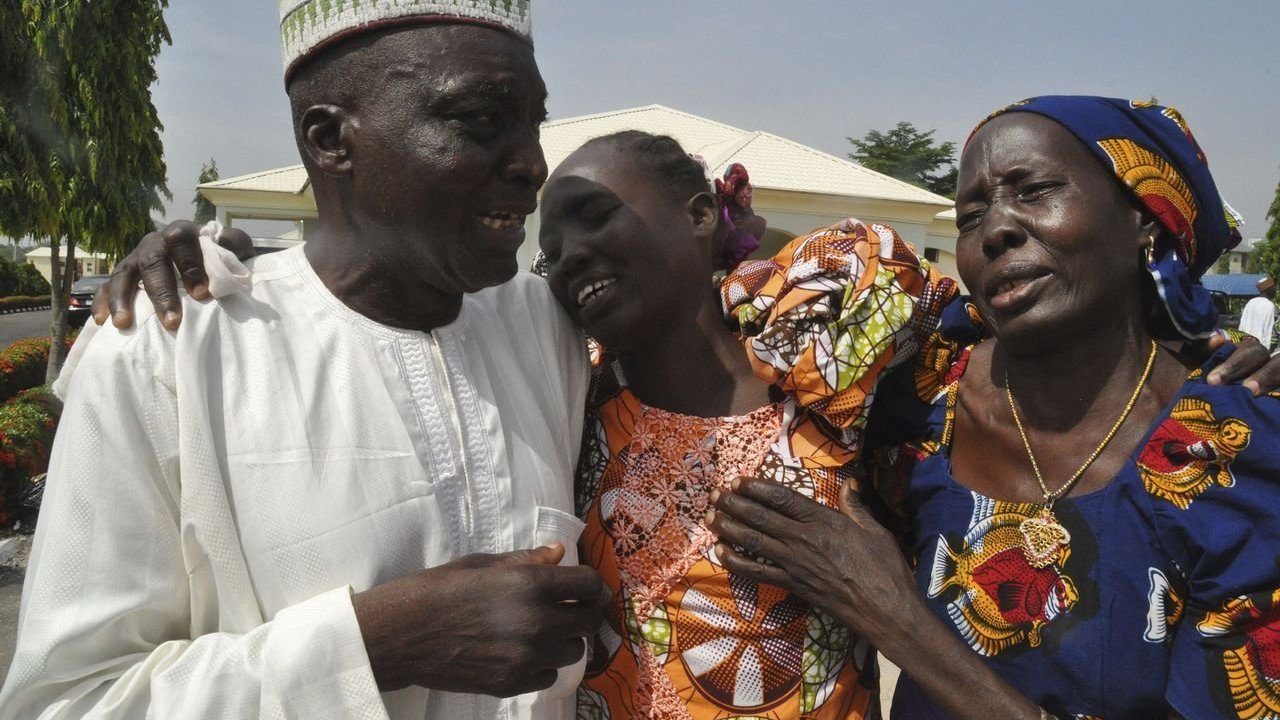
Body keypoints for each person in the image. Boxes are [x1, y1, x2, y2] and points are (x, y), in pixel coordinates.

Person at [0, 3, 609, 719]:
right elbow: (68, 701)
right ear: (329, 140)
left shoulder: (546, 327)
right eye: (479, 119)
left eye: (533, 122)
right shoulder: (171, 354)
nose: (532, 162)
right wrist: (376, 645)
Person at [707, 96, 1280, 719]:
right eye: (971, 214)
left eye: (1034, 191)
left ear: (1144, 218)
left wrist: (894, 617)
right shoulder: (923, 401)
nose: (996, 229)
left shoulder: (1234, 454)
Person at [1239, 276, 1277, 349]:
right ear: (1267, 289)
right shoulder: (1269, 305)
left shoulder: (1250, 302)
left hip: (1244, 346)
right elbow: (1268, 332)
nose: (1275, 290)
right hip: (1259, 349)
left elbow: (1242, 326)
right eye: (1273, 287)